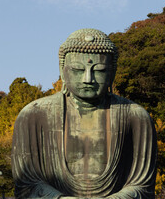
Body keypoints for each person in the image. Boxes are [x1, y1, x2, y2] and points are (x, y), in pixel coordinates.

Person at [12, 29, 157, 198]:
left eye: (100, 70)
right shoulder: (34, 115)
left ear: (112, 73)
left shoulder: (135, 117)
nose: (88, 79)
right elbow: (27, 186)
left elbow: (143, 187)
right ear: (62, 71)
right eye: (78, 70)